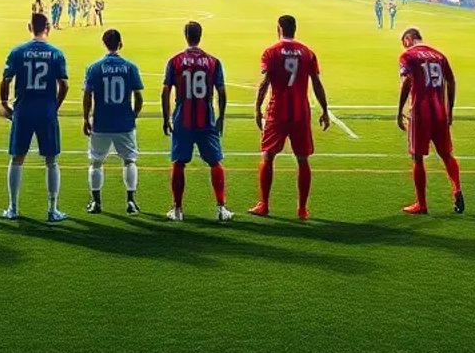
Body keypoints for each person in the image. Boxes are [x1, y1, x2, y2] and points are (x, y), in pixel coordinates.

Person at [250, 14, 330, 219]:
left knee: (268, 156)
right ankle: (302, 209)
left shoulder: (271, 52)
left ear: (278, 28)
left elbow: (265, 82)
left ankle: (264, 204)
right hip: (300, 112)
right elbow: (317, 84)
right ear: (295, 29)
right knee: (302, 160)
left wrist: (258, 107)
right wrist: (325, 110)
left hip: (277, 111)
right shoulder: (307, 53)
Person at [0, 11, 69, 221]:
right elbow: (64, 85)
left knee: (17, 158)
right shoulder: (56, 53)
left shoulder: (18, 51)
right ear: (47, 28)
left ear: (29, 27)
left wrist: (4, 103)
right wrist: (54, 105)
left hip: (23, 109)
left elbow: (5, 80)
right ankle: (52, 209)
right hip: (46, 110)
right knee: (51, 160)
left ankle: (13, 208)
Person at [161, 20, 233, 222]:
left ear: (186, 36)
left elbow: (165, 90)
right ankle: (221, 208)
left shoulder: (175, 61)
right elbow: (221, 91)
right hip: (206, 117)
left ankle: (177, 209)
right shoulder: (213, 62)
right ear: (200, 36)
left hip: (182, 117)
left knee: (179, 162)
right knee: (215, 162)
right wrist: (221, 116)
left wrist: (166, 118)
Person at [396, 27, 462, 214]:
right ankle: (457, 189)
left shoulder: (408, 56)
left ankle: (421, 204)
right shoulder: (439, 55)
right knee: (447, 154)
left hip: (419, 112)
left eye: (404, 42)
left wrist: (399, 110)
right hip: (440, 112)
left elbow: (407, 82)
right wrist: (450, 109)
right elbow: (451, 81)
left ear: (409, 39)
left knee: (417, 158)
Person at [82, 28, 145, 214]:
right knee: (129, 161)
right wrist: (132, 115)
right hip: (124, 123)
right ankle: (131, 202)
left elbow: (87, 96)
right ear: (120, 44)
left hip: (101, 123)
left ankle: (96, 203)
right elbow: (139, 97)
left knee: (96, 162)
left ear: (104, 43)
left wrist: (86, 118)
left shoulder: (94, 67)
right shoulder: (130, 67)